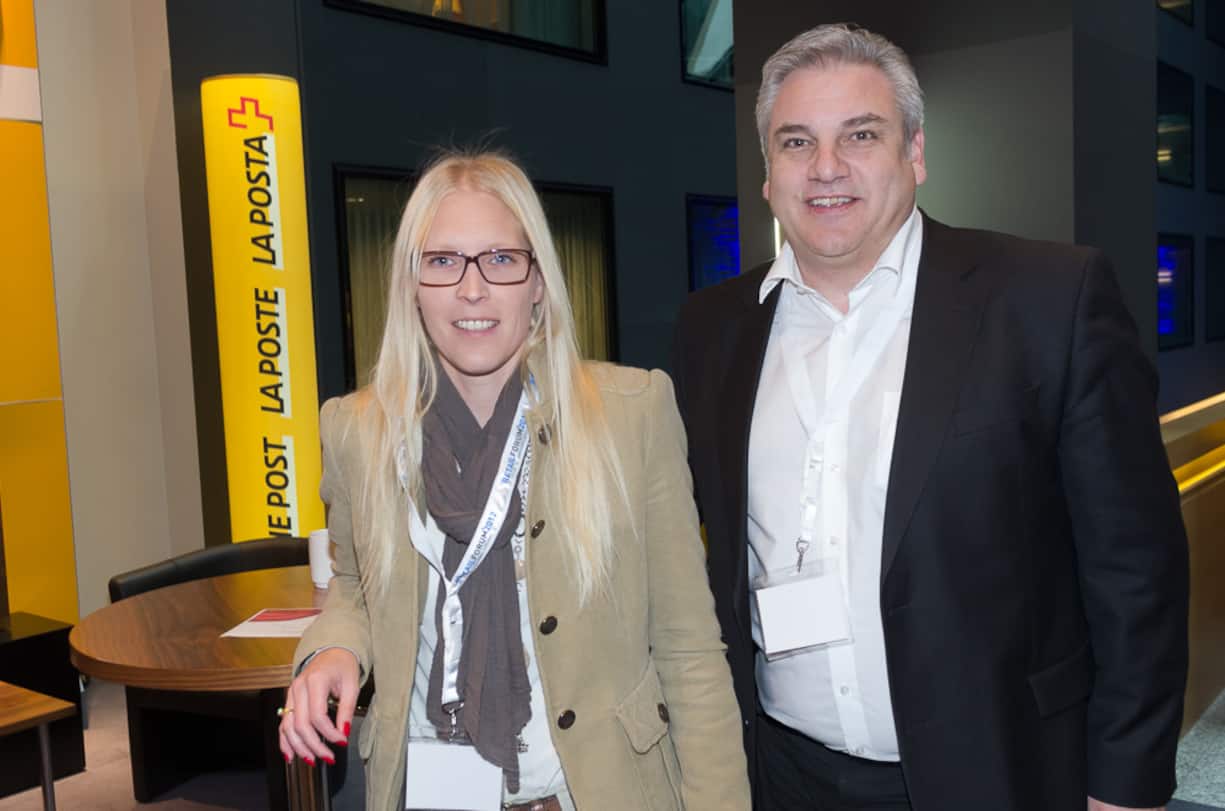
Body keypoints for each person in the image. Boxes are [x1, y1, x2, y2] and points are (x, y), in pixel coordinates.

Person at [672, 23, 1189, 811]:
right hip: (777, 774)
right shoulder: (711, 329)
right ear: (768, 174)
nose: (826, 167)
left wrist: (1125, 785)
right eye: (796, 141)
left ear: (914, 153)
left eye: (860, 135)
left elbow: (1135, 568)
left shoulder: (1046, 299)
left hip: (998, 771)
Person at [278, 151, 751, 811]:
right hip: (429, 791)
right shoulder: (358, 430)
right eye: (443, 260)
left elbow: (687, 643)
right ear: (411, 285)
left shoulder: (631, 413)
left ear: (537, 281)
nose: (472, 289)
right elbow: (356, 589)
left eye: (500, 259)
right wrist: (332, 650)